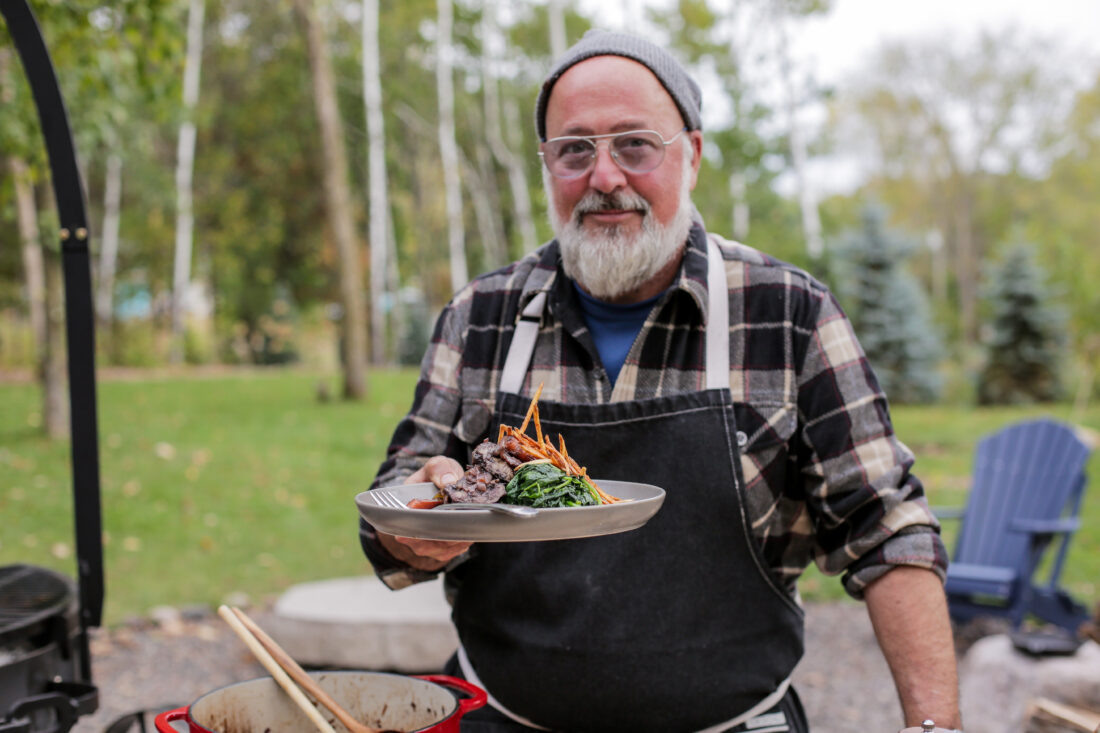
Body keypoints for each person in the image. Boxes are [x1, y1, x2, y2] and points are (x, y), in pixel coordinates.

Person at [360, 30, 962, 733]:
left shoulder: (787, 314)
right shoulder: (482, 315)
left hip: (734, 722)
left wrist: (935, 726)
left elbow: (888, 530)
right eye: (574, 149)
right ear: (548, 165)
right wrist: (418, 524)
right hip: (503, 715)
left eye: (635, 145)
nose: (605, 176)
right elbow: (395, 504)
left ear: (694, 156)